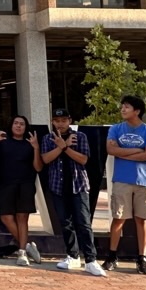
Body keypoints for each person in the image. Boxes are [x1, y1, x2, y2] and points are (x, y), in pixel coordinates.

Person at [41, 108, 106, 277]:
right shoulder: (48, 138)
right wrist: (62, 146)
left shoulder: (80, 137)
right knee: (65, 222)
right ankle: (73, 255)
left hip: (78, 185)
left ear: (69, 120)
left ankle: (91, 260)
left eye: (63, 120)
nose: (60, 124)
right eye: (57, 120)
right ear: (52, 122)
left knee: (83, 222)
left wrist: (66, 148)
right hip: (57, 186)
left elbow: (83, 159)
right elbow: (46, 159)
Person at [102, 95, 146, 275]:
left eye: (126, 107)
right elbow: (111, 150)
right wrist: (137, 150)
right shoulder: (115, 129)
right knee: (118, 218)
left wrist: (123, 153)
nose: (123, 109)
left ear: (137, 111)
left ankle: (142, 258)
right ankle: (112, 255)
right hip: (122, 179)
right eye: (122, 106)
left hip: (145, 181)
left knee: (142, 220)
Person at [0, 115, 42, 266]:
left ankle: (22, 252)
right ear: (11, 125)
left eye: (22, 124)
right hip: (6, 185)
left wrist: (36, 148)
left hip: (25, 185)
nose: (18, 126)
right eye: (16, 123)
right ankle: (28, 245)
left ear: (26, 127)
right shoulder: (3, 142)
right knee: (6, 217)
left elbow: (38, 167)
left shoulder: (30, 143)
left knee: (22, 218)